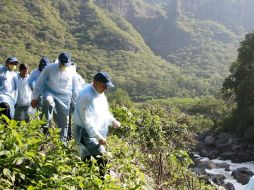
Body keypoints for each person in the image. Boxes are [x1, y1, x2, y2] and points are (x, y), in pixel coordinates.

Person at [73, 71, 121, 178]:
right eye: (103, 85)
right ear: (95, 83)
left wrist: (113, 120)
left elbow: (104, 111)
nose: (105, 88)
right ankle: (102, 181)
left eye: (106, 86)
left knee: (87, 158)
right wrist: (98, 137)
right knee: (101, 156)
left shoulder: (99, 93)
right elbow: (86, 121)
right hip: (85, 131)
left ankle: (90, 180)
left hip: (94, 130)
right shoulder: (87, 95)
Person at [31, 52, 79, 143]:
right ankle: (45, 124)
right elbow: (39, 82)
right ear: (59, 61)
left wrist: (76, 102)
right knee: (48, 101)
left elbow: (75, 87)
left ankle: (62, 142)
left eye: (66, 64)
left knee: (64, 120)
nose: (64, 65)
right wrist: (35, 97)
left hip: (65, 96)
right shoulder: (49, 68)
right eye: (63, 63)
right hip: (50, 91)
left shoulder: (72, 70)